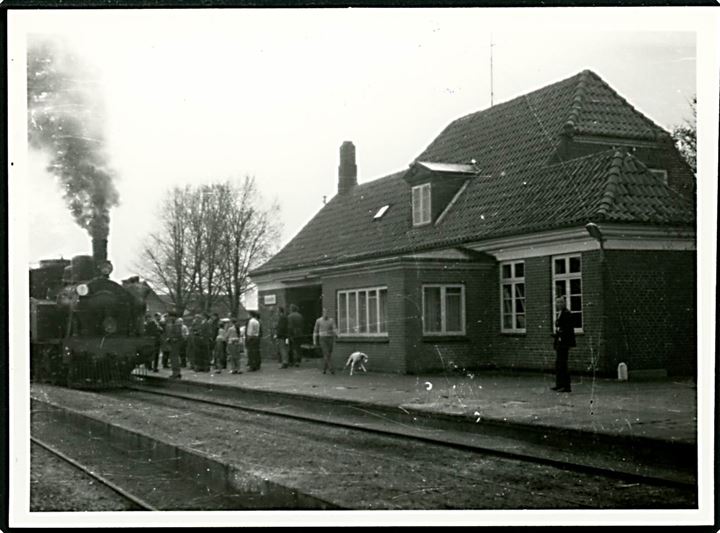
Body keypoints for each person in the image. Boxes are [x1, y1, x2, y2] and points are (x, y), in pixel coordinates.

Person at [551, 296, 576, 393]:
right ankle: (559, 384)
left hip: (564, 342)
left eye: (560, 302)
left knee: (563, 364)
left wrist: (561, 333)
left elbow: (568, 329)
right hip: (560, 342)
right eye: (557, 302)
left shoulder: (567, 314)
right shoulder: (560, 313)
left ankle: (566, 386)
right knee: (558, 364)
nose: (558, 304)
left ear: (564, 303)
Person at [313, 308, 338, 375]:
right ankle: (331, 369)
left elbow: (334, 328)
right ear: (323, 313)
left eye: (327, 313)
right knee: (326, 353)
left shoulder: (331, 321)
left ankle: (324, 369)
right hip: (322, 338)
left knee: (328, 354)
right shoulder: (318, 321)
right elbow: (315, 331)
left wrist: (337, 334)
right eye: (324, 312)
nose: (326, 314)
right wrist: (314, 340)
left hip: (330, 338)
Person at [166, 313, 183, 379]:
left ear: (173, 317)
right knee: (174, 358)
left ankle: (175, 373)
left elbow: (177, 334)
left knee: (174, 358)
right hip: (174, 342)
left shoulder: (176, 324)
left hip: (175, 343)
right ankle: (176, 372)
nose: (170, 318)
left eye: (170, 317)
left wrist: (171, 338)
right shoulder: (175, 324)